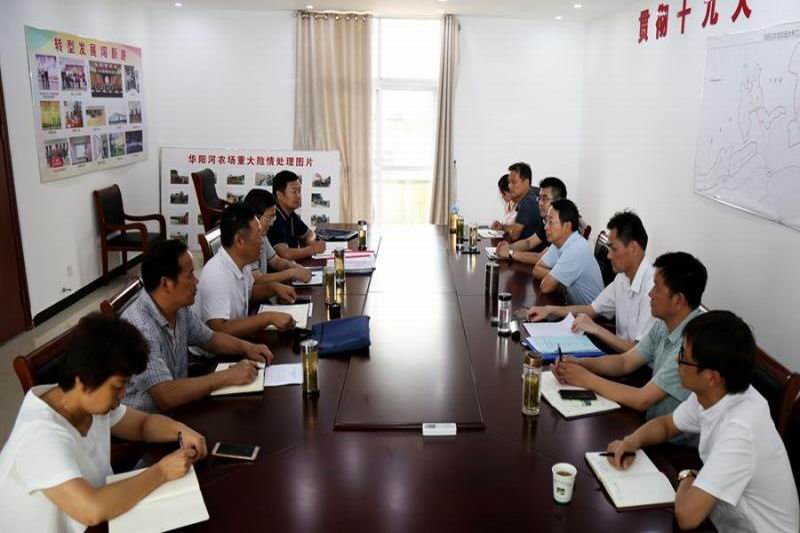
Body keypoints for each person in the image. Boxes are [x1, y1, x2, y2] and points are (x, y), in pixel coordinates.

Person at [0, 313, 208, 532]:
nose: (123, 394)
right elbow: (92, 509)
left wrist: (181, 430)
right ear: (82, 382)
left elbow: (142, 425)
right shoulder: (39, 435)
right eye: (117, 387)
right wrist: (162, 472)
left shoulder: (85, 401)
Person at [606, 311, 799, 532]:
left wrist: (688, 474)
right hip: (722, 520)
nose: (676, 361)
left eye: (682, 356)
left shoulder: (740, 429)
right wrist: (630, 442)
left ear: (711, 377)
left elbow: (687, 516)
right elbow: (666, 425)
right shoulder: (713, 394)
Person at [553, 251, 707, 430]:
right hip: (650, 423)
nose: (650, 294)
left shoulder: (693, 344)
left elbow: (642, 399)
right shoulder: (665, 323)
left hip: (669, 440)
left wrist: (585, 379)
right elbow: (625, 362)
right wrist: (581, 363)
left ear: (678, 300)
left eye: (657, 289)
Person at [123, 239, 275, 413]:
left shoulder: (178, 307)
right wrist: (227, 376)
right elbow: (166, 396)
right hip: (148, 421)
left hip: (179, 407)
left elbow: (210, 339)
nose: (196, 281)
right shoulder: (140, 329)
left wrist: (247, 348)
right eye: (189, 275)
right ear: (166, 284)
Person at [528, 210, 655, 353]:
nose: (609, 256)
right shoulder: (622, 278)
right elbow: (591, 309)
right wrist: (549, 310)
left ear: (633, 248)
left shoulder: (653, 288)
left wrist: (596, 329)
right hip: (620, 357)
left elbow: (639, 352)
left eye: (613, 249)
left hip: (634, 364)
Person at [193, 203, 296, 346]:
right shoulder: (217, 275)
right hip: (215, 355)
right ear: (240, 241)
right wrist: (267, 318)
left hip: (239, 342)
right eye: (258, 235)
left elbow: (247, 293)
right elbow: (219, 330)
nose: (262, 240)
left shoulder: (243, 262)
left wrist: (272, 288)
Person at [533, 199, 603, 305]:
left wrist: (556, 278)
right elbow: (536, 269)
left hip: (591, 313)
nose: (546, 227)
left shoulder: (576, 249)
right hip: (572, 307)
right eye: (546, 221)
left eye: (550, 222)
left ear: (567, 226)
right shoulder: (559, 241)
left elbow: (545, 287)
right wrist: (559, 278)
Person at [243, 188, 313, 284]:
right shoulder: (244, 242)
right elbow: (257, 279)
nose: (272, 223)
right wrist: (291, 273)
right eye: (269, 217)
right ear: (255, 217)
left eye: (274, 217)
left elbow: (275, 261)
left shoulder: (262, 236)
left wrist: (294, 266)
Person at [497, 176, 567, 265]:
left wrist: (510, 253)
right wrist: (508, 247)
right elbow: (529, 243)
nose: (540, 203)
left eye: (544, 199)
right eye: (539, 198)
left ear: (559, 202)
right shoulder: (547, 220)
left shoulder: (564, 225)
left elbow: (542, 259)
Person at [268, 170, 326, 261]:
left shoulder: (290, 214)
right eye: (294, 192)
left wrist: (310, 242)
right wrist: (311, 249)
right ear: (279, 195)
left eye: (299, 191)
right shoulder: (273, 217)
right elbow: (284, 254)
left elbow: (309, 234)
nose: (298, 196)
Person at [490, 162, 540, 242]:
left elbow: (514, 235)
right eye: (509, 182)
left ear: (526, 182)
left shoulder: (527, 202)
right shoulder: (532, 194)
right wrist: (502, 226)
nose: (509, 186)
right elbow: (517, 227)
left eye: (513, 182)